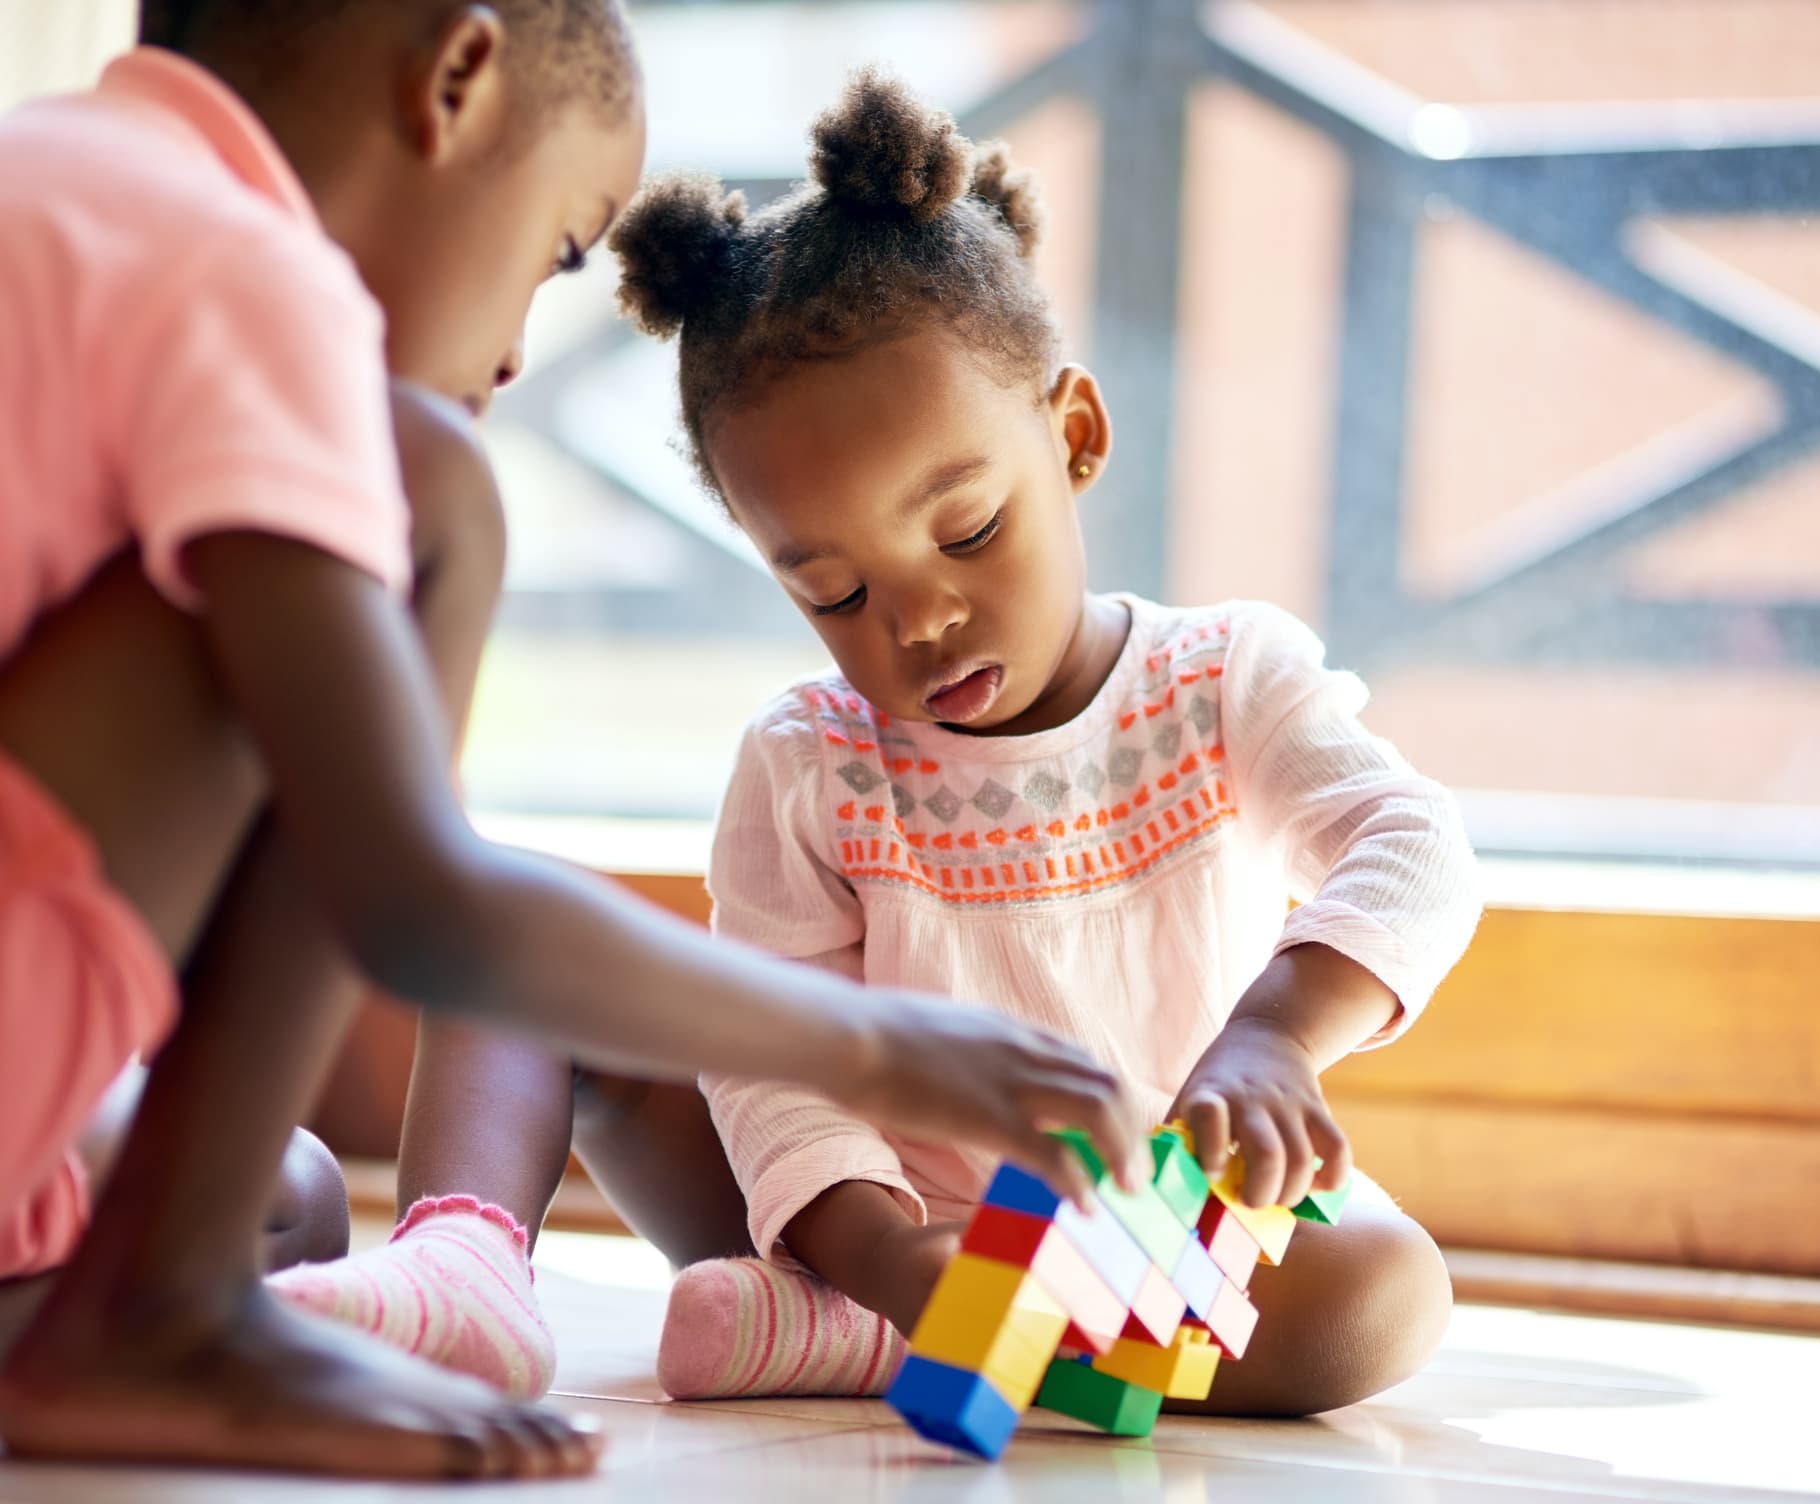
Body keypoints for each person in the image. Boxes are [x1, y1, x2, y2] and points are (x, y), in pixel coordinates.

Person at [0, 8, 1143, 1481]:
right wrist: (887, 1043)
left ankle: (158, 1290)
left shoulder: (58, 181)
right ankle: (163, 1312)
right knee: (427, 491)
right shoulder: (246, 270)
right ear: (456, 81)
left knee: (275, 1195)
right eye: (556, 249)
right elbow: (414, 906)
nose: (516, 353)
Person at [286, 70, 1483, 1420]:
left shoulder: (1223, 681)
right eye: (833, 593)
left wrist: (1274, 1037)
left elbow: (1414, 846)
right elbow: (767, 1055)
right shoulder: (809, 763)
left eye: (966, 531)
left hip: (1133, 1235)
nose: (917, 619)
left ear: (1072, 435)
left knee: (1385, 1293)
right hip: (843, 1221)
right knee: (514, 960)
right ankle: (466, 1277)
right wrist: (880, 1248)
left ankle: (866, 1341)